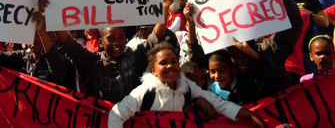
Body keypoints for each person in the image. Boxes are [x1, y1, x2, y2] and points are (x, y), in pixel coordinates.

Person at [54, 0, 176, 103]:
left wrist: (165, 7)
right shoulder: (92, 61)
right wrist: (52, 11)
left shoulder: (133, 56)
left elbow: (155, 37)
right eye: (110, 39)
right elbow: (68, 44)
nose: (117, 43)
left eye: (121, 38)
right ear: (101, 42)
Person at [108, 42, 266, 127]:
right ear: (153, 70)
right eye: (163, 63)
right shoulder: (145, 92)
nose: (170, 66)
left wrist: (248, 114)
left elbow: (218, 103)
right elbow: (115, 116)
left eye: (173, 61)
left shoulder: (188, 86)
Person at [0, 12, 78, 90]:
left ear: (52, 37)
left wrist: (41, 31)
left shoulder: (64, 60)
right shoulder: (21, 57)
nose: (34, 39)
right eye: (31, 34)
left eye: (39, 35)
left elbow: (57, 69)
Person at [282, 0, 328, 73]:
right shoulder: (280, 1)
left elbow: (325, 22)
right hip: (288, 54)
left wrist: (309, 13)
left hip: (306, 52)